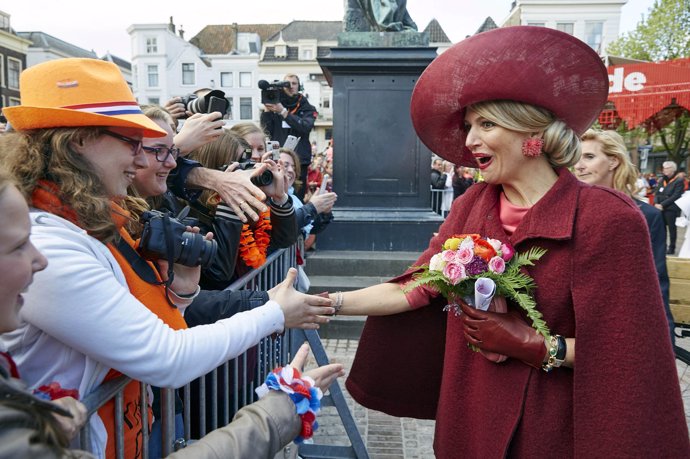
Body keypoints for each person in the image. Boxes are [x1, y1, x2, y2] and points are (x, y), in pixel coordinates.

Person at [319, 27, 688, 457]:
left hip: (552, 431)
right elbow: (419, 286)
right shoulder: (472, 203)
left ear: (531, 134)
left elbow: (630, 353)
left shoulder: (607, 218)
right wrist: (324, 304)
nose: (470, 140)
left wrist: (534, 345)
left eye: (487, 124)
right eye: (469, 126)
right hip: (470, 418)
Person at [0, 58, 334, 457]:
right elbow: (166, 356)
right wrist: (274, 312)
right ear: (79, 141)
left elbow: (142, 326)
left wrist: (181, 294)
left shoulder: (95, 217)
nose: (141, 159)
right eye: (131, 141)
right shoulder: (53, 241)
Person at [574, 128, 675, 345]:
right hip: (576, 329)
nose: (579, 166)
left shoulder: (647, 215)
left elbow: (656, 281)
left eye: (589, 157)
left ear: (613, 161)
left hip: (625, 327)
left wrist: (665, 336)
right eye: (577, 158)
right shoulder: (568, 213)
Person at [260, 73, 317, 199]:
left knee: (297, 194)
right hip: (278, 158)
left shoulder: (306, 106)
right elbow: (266, 131)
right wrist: (267, 111)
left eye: (294, 83)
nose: (290, 86)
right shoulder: (275, 103)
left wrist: (284, 112)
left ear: (299, 86)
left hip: (299, 160)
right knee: (277, 192)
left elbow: (305, 127)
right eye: (287, 83)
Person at [655, 160, 685, 254]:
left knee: (672, 229)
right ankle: (662, 247)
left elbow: (675, 195)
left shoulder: (678, 181)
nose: (665, 170)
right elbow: (656, 193)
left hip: (670, 209)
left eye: (667, 168)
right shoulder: (662, 179)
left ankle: (672, 248)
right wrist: (656, 203)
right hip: (659, 208)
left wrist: (662, 204)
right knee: (661, 229)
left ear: (673, 169)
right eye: (664, 168)